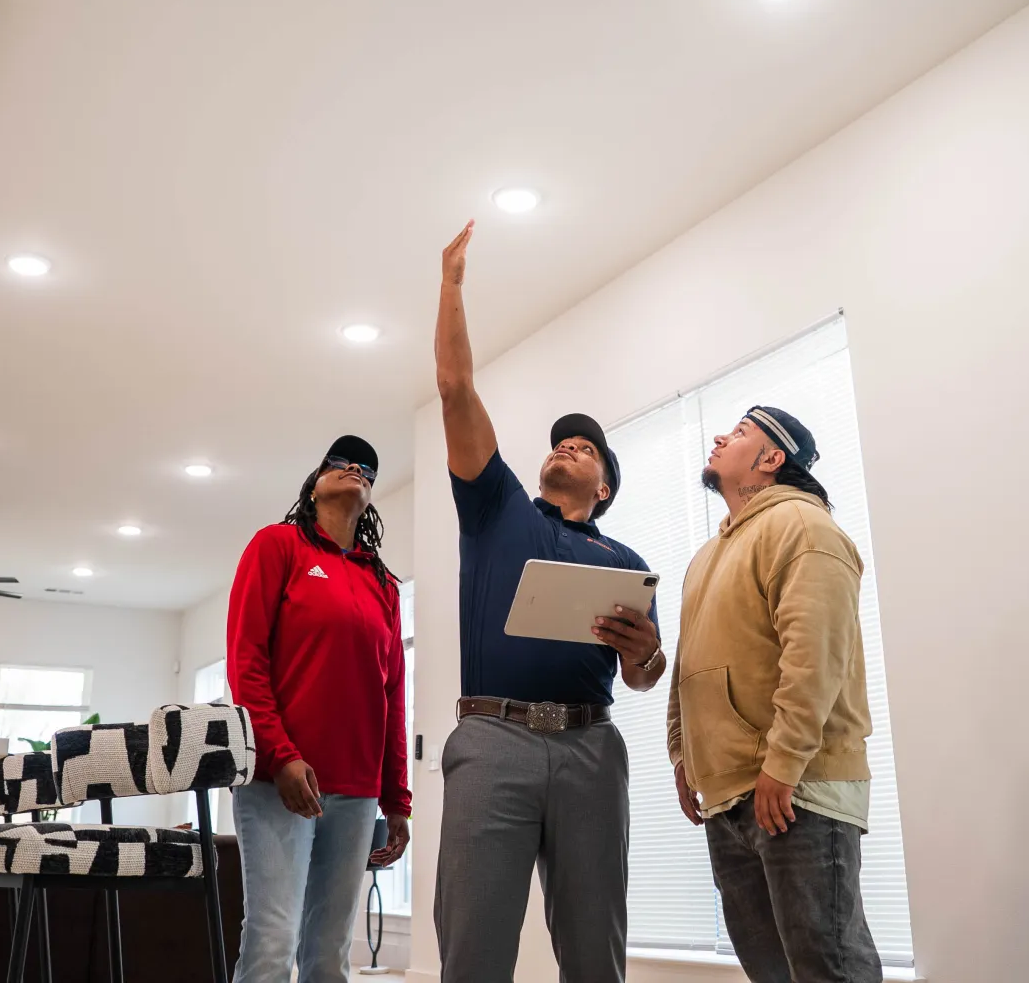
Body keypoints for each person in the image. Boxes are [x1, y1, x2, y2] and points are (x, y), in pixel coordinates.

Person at [433, 220, 667, 983]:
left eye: (587, 447)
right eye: (562, 440)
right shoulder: (499, 509)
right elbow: (456, 389)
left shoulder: (625, 562)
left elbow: (644, 673)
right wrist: (453, 286)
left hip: (590, 751)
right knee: (475, 949)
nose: (568, 444)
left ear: (603, 488)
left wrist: (644, 654)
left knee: (596, 954)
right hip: (493, 741)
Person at [668, 405, 881, 983]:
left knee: (828, 970)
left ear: (771, 459)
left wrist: (784, 765)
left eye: (738, 433)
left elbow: (815, 657)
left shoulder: (805, 528)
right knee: (773, 974)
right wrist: (684, 755)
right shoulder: (706, 557)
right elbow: (688, 665)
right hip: (729, 796)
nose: (718, 436)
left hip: (797, 791)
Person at [226, 435, 412, 983]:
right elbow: (246, 663)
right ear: (314, 484)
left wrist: (395, 797)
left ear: (371, 498)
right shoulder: (277, 546)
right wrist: (282, 756)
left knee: (330, 950)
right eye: (339, 461)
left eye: (366, 467)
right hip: (276, 780)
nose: (354, 467)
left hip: (354, 793)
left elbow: (392, 696)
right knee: (272, 937)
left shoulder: (384, 584)